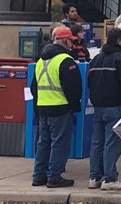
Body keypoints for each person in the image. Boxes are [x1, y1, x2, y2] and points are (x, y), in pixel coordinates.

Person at [31, 26, 83, 188]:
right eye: (70, 42)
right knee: (59, 144)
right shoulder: (65, 61)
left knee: (43, 143)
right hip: (60, 108)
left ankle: (39, 176)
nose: (72, 45)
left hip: (43, 107)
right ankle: (54, 176)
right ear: (64, 40)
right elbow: (73, 89)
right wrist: (75, 106)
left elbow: (34, 87)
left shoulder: (40, 61)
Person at [87, 27, 121, 191]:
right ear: (119, 41)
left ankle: (95, 177)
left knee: (97, 142)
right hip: (115, 106)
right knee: (111, 142)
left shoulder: (96, 60)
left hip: (98, 106)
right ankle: (109, 178)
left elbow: (90, 83)